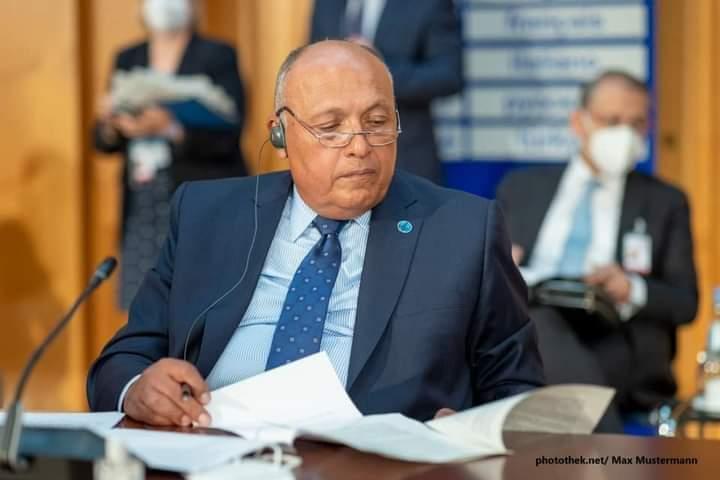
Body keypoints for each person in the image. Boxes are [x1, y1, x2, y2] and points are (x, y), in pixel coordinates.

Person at [87, 40, 543, 427]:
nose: (360, 146)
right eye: (330, 128)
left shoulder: (462, 230)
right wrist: (139, 388)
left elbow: (517, 386)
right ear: (281, 135)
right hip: (213, 449)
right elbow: (123, 359)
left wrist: (475, 431)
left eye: (377, 123)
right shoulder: (206, 215)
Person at [497, 71, 698, 430]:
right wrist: (497, 267)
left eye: (636, 124)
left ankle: (593, 441)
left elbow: (686, 303)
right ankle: (603, 443)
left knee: (538, 340)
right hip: (531, 320)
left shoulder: (664, 202)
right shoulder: (521, 188)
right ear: (579, 122)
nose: (625, 134)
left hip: (613, 336)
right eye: (612, 121)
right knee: (536, 321)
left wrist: (631, 288)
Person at [94, 0, 247, 309]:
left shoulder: (217, 55)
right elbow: (102, 140)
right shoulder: (128, 57)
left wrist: (169, 127)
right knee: (145, 305)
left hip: (201, 196)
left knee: (202, 301)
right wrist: (113, 125)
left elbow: (230, 131)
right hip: (144, 201)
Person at [310, 0, 463, 184]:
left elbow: (448, 75)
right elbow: (310, 65)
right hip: (334, 157)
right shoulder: (326, 3)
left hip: (406, 158)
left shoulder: (428, 4)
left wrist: (377, 69)